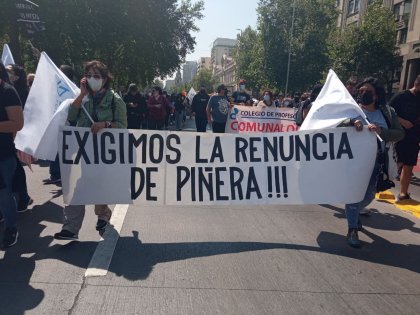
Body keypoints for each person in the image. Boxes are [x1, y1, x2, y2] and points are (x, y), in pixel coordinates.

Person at [54, 60, 127, 240]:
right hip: (83, 153)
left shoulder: (115, 100)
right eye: (89, 75)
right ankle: (71, 228)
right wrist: (81, 95)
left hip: (104, 155)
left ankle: (102, 214)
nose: (92, 79)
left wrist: (106, 124)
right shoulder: (83, 98)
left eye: (97, 76)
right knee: (76, 189)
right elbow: (71, 117)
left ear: (104, 79)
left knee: (99, 188)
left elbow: (123, 127)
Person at [343, 77, 404, 248]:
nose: (362, 94)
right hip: (352, 163)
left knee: (369, 195)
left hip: (377, 163)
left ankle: (353, 215)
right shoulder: (352, 110)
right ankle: (352, 228)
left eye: (366, 92)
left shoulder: (387, 112)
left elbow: (399, 134)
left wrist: (381, 131)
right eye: (360, 91)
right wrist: (350, 122)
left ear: (376, 96)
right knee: (354, 195)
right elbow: (335, 126)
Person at [0, 62, 24, 248]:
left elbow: (17, 123)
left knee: (3, 194)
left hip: (3, 154)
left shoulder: (7, 92)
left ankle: (11, 228)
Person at [389, 75, 420, 202]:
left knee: (409, 165)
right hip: (399, 134)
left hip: (414, 136)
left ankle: (403, 193)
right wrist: (402, 121)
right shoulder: (401, 96)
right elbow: (388, 111)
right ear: (416, 84)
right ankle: (380, 186)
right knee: (397, 163)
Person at [6, 64, 33, 211]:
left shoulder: (18, 92)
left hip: (18, 134)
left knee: (15, 168)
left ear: (18, 76)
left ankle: (23, 196)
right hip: (9, 136)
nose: (7, 72)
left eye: (10, 71)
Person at [44, 65, 76, 185]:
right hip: (56, 122)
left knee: (61, 151)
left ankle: (58, 174)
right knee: (54, 149)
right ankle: (54, 174)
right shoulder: (57, 86)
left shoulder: (72, 89)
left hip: (67, 124)